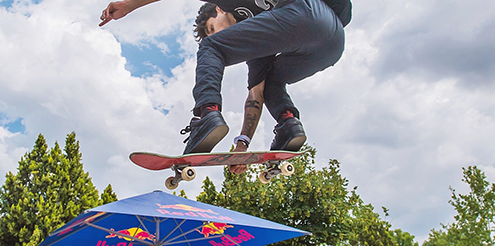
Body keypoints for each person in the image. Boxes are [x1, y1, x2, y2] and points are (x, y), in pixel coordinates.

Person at [99, 0, 350, 164]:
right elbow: (256, 94)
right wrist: (242, 145)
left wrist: (129, 5)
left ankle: (207, 114)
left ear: (218, 10)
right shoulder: (258, 40)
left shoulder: (228, 2)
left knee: (212, 48)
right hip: (333, 42)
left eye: (211, 27)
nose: (216, 33)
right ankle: (289, 125)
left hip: (305, 11)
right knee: (271, 80)